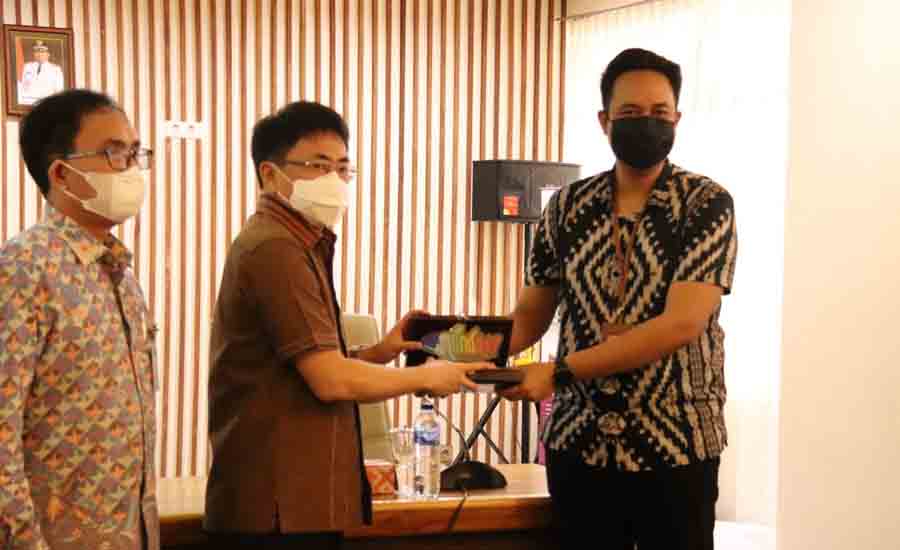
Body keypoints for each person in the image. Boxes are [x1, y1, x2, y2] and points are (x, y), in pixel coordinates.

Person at [204, 100, 485, 549]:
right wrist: (427, 376)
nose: (334, 180)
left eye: (342, 168)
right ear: (270, 175)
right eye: (318, 166)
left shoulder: (298, 242)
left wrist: (380, 352)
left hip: (295, 500)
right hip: (279, 505)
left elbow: (301, 369)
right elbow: (330, 380)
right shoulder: (276, 249)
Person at [500, 48, 738, 550]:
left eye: (659, 112)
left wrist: (557, 372)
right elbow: (529, 317)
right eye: (630, 112)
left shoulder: (705, 203)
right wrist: (446, 348)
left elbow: (681, 325)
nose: (646, 123)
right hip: (580, 446)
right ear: (605, 121)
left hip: (676, 445)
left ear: (677, 119)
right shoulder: (567, 206)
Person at [0, 89, 158, 550]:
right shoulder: (24, 268)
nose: (130, 168)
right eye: (113, 153)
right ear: (61, 173)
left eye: (134, 152)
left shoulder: (120, 273)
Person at [18, 41, 65, 105]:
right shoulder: (27, 66)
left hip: (45, 103)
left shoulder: (55, 69)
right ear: (34, 54)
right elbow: (21, 85)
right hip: (27, 102)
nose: (39, 54)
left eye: (42, 52)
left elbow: (59, 91)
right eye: (37, 51)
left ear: (48, 54)